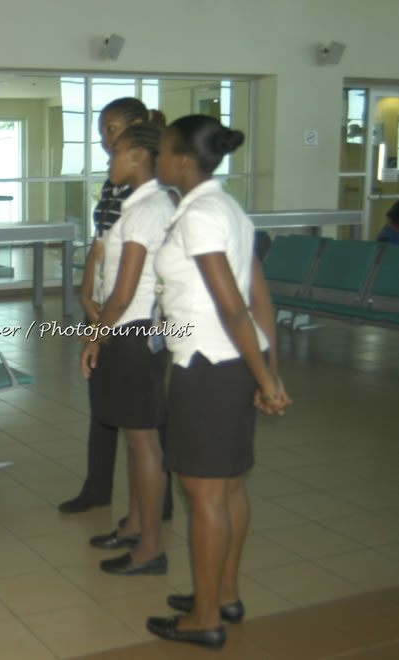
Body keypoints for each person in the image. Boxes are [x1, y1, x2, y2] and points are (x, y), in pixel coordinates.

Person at [145, 115, 290, 649]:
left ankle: (204, 618)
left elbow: (232, 306)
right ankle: (223, 592)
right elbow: (260, 301)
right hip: (235, 360)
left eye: (162, 151)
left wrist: (266, 380)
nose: (158, 159)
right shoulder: (228, 208)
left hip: (208, 365)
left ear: (183, 160)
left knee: (202, 493)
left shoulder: (200, 216)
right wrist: (266, 368)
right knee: (228, 486)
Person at [60, 97, 174, 522]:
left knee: (145, 422)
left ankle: (153, 510)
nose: (106, 141)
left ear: (137, 136)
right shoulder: (114, 184)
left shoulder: (151, 191)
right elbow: (101, 243)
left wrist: (100, 325)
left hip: (137, 319)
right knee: (111, 408)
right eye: (103, 130)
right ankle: (103, 491)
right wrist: (87, 291)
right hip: (114, 312)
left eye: (114, 131)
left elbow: (132, 280)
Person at [81, 120, 172, 576]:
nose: (109, 159)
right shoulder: (141, 205)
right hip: (129, 330)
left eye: (115, 152)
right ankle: (135, 525)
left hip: (132, 331)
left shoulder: (145, 210)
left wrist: (95, 335)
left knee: (143, 443)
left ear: (138, 156)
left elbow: (123, 289)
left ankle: (150, 549)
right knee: (137, 444)